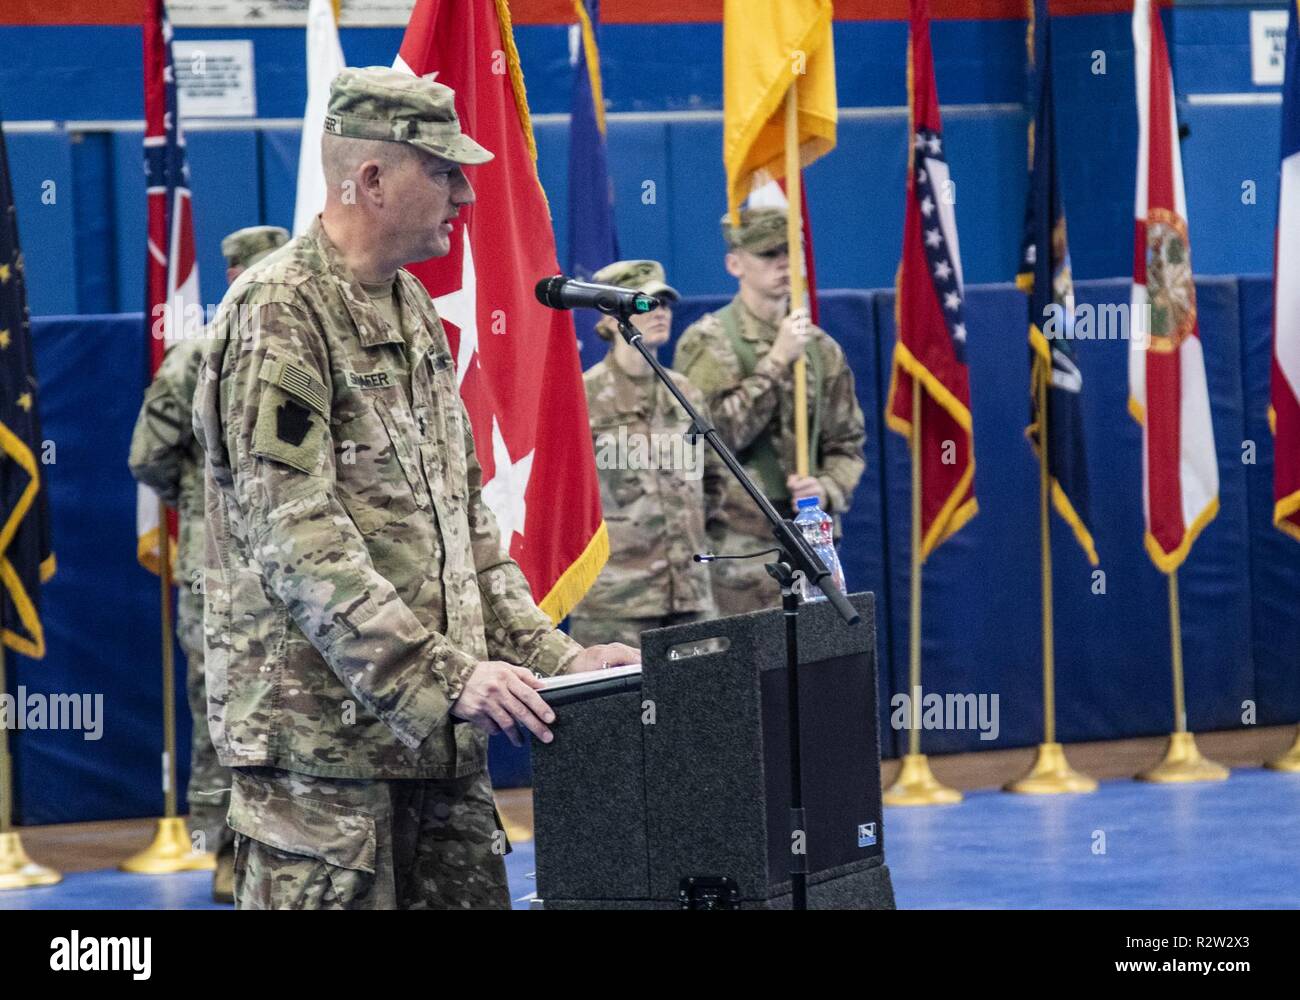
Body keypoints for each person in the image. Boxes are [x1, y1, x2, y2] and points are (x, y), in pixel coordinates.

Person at [192, 67, 635, 911]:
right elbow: (295, 536)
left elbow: (467, 530)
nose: (466, 193)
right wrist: (444, 672)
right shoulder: (279, 310)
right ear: (369, 180)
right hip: (325, 768)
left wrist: (557, 658)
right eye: (442, 171)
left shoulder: (415, 312)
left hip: (437, 746)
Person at [128, 223, 289, 903]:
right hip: (216, 573)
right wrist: (198, 503)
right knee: (221, 708)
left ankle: (283, 845)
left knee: (288, 710)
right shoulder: (194, 361)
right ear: (231, 277)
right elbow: (148, 456)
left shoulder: (296, 349)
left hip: (291, 572)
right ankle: (222, 849)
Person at [673, 207, 866, 615]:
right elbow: (710, 440)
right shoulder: (709, 341)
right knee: (748, 672)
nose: (782, 263)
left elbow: (847, 445)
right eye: (767, 254)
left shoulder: (820, 348)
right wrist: (776, 362)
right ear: (734, 263)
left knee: (818, 668)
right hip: (740, 550)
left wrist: (826, 488)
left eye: (788, 251)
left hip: (812, 547)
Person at [568, 260, 726, 649]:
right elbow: (566, 501)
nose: (660, 312)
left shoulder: (685, 393)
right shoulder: (580, 398)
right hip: (615, 606)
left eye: (665, 304)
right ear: (607, 321)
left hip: (691, 599)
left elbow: (714, 482)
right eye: (646, 303)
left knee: (705, 706)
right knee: (619, 709)